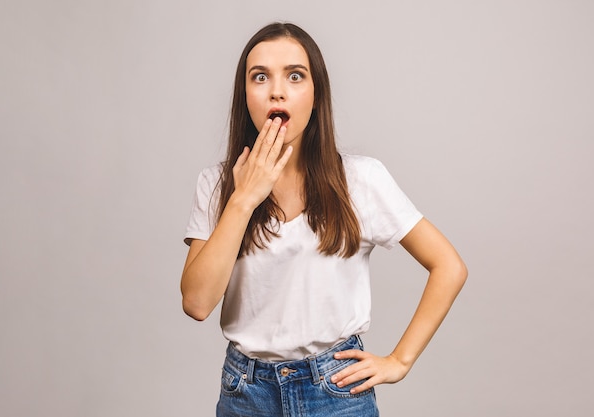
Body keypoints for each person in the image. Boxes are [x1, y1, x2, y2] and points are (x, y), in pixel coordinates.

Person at [181, 22, 467, 417]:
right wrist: (243, 199)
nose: (276, 90)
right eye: (260, 76)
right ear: (244, 95)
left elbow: (449, 266)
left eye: (295, 76)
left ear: (316, 95)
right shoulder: (216, 184)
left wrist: (399, 361)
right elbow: (196, 302)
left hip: (334, 393)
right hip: (245, 393)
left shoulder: (361, 179)